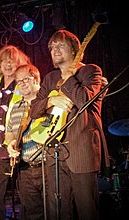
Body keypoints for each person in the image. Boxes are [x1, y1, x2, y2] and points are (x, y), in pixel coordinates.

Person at [29, 29, 110, 220]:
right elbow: (33, 110)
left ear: (74, 50)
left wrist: (68, 76)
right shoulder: (49, 78)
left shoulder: (90, 71)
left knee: (86, 209)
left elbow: (84, 101)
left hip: (81, 150)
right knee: (57, 208)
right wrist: (50, 101)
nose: (55, 50)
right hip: (53, 152)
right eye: (52, 47)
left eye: (60, 46)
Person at [5, 63, 55, 220]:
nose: (22, 84)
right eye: (19, 81)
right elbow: (9, 133)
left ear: (36, 79)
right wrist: (11, 144)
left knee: (55, 212)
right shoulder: (15, 107)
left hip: (48, 168)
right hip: (25, 170)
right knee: (33, 214)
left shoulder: (50, 101)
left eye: (25, 79)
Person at [0, 45, 32, 220]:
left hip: (19, 143)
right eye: (4, 61)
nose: (8, 65)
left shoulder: (22, 83)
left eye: (12, 62)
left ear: (19, 64)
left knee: (25, 193)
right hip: (0, 144)